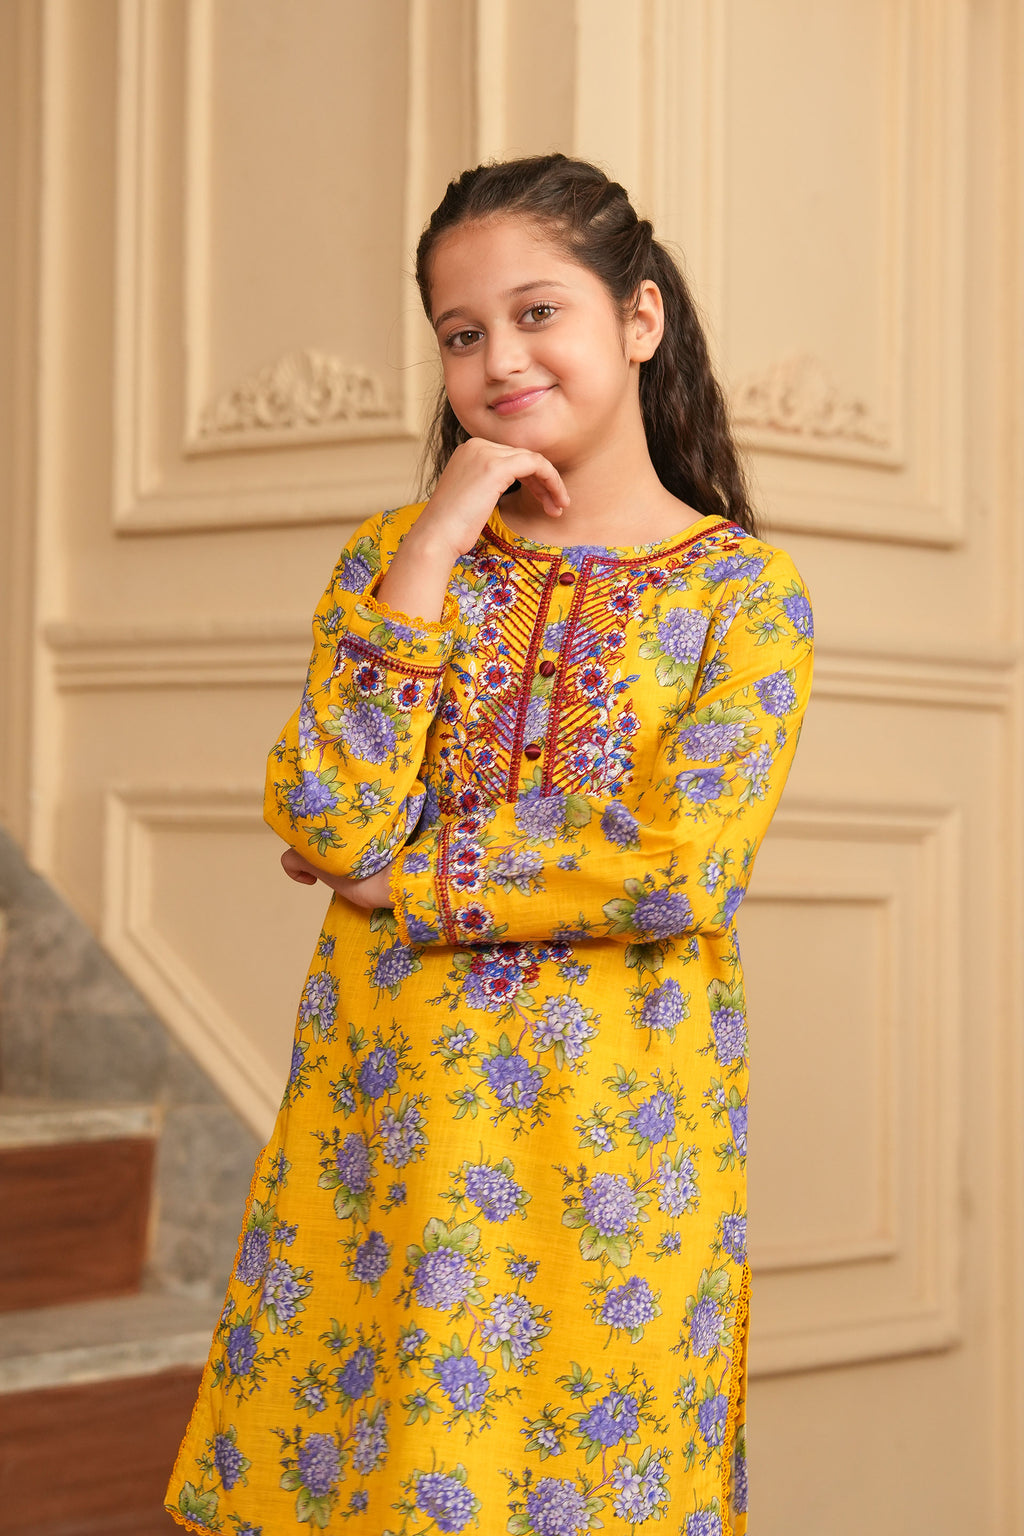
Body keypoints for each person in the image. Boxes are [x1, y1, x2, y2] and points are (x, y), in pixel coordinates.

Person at [166, 153, 813, 1536]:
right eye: (462, 335)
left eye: (537, 314)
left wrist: (416, 877)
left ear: (639, 318)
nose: (497, 359)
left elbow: (677, 864)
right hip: (391, 1125)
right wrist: (436, 539)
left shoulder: (744, 595)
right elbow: (327, 811)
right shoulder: (395, 560)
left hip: (613, 1142)